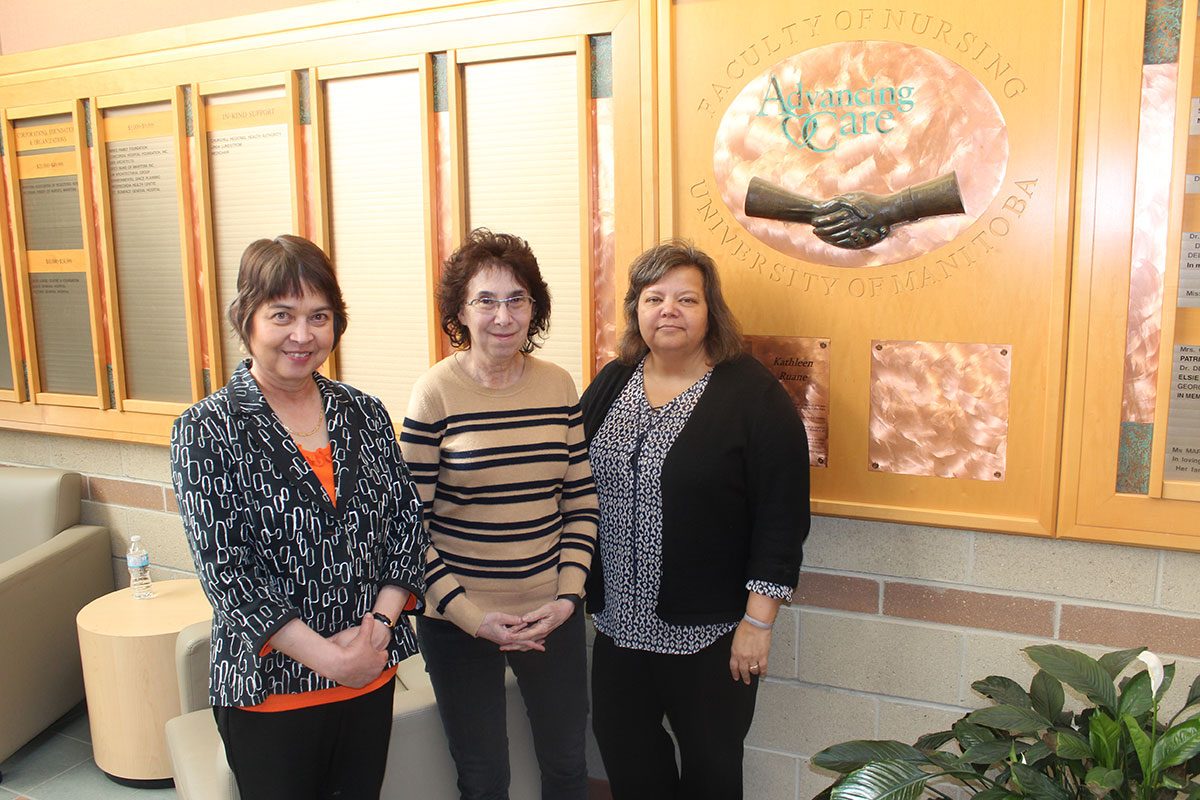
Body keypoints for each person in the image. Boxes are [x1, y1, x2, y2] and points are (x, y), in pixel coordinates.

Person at [170, 235, 427, 800]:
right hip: (272, 691)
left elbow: (407, 527)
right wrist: (331, 660)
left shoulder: (362, 411)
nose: (302, 335)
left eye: (319, 316)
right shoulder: (207, 429)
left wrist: (375, 635)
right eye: (281, 315)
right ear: (247, 318)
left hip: (369, 673)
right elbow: (228, 574)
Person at [580, 240, 810, 800]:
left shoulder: (754, 396)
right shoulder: (613, 382)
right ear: (637, 308)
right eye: (654, 298)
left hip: (712, 636)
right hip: (619, 628)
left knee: (711, 772)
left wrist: (758, 625)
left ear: (712, 312)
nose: (669, 311)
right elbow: (571, 481)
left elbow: (781, 518)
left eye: (687, 299)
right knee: (628, 761)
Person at [400, 228, 598, 800]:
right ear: (461, 311)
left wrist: (567, 598)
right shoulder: (435, 392)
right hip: (460, 622)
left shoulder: (558, 386)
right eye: (485, 300)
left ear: (534, 307)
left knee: (566, 767)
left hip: (550, 614)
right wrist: (470, 617)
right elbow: (409, 527)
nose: (502, 315)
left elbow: (580, 501)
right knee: (484, 779)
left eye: (517, 299)